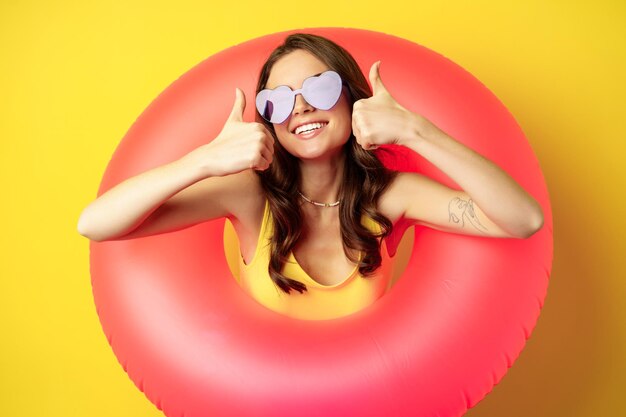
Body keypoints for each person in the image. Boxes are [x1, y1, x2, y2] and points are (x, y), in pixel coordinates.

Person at [77, 33, 544, 320]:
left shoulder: (390, 198)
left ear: (350, 97)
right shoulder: (248, 196)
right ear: (269, 121)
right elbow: (95, 224)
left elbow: (523, 219)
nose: (299, 106)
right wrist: (202, 161)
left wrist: (416, 131)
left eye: (319, 88)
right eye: (277, 100)